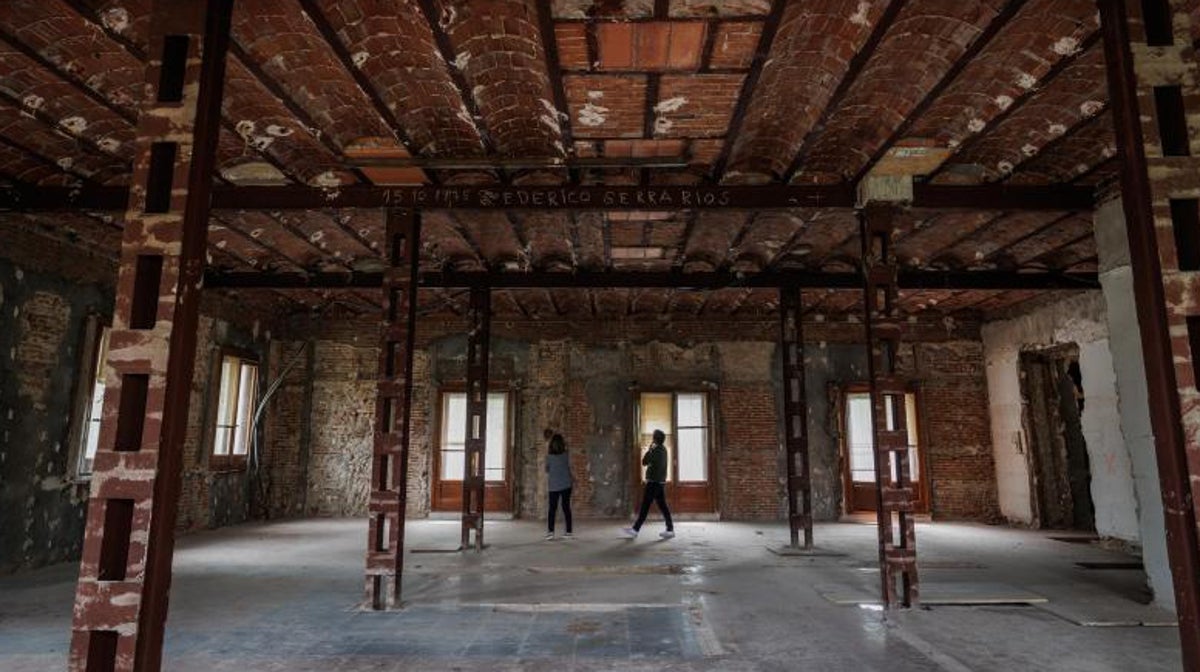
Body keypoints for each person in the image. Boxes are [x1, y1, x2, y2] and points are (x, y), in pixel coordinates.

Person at [623, 429, 674, 540]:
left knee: (645, 507)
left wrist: (650, 449)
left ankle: (635, 530)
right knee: (663, 506)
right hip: (660, 483)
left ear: (655, 439)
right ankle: (670, 529)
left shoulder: (656, 451)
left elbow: (644, 461)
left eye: (653, 437)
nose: (652, 438)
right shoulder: (664, 450)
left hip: (653, 483)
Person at [545, 433, 573, 540]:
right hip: (566, 484)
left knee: (552, 509)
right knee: (566, 508)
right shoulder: (566, 455)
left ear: (551, 444)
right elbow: (568, 466)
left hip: (554, 485)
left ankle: (550, 533)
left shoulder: (549, 457)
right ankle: (569, 532)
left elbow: (547, 470)